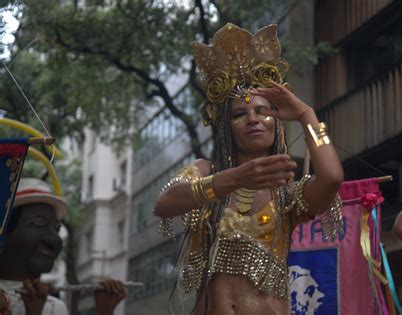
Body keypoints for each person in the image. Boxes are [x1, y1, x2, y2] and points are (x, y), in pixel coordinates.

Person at [154, 23, 343, 314]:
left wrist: (307, 116)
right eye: (240, 114)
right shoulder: (205, 171)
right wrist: (232, 179)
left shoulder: (286, 193)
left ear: (276, 121)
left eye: (263, 111)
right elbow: (164, 204)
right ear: (226, 127)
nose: (253, 119)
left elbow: (332, 178)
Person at [0, 178, 126, 315]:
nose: (55, 239)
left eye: (57, 228)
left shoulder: (55, 307)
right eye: (38, 224)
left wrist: (105, 310)